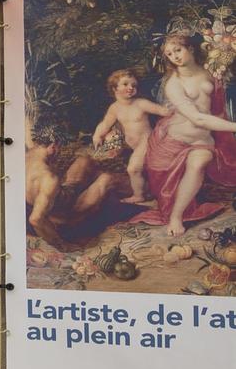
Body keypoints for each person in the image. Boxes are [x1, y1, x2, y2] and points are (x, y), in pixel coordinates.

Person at [142, 31, 236, 236]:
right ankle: (176, 217)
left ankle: (177, 214)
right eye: (169, 54)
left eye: (178, 50)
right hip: (174, 142)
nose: (175, 56)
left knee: (200, 161)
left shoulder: (211, 70)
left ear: (190, 48)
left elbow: (222, 99)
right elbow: (198, 118)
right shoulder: (173, 84)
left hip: (202, 140)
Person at [89, 72, 164, 206]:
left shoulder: (141, 103)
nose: (130, 87)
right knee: (145, 170)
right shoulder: (115, 108)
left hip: (147, 142)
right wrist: (97, 135)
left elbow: (162, 111)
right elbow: (106, 123)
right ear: (114, 88)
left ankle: (139, 195)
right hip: (133, 146)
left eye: (133, 85)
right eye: (125, 84)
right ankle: (150, 192)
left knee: (133, 169)